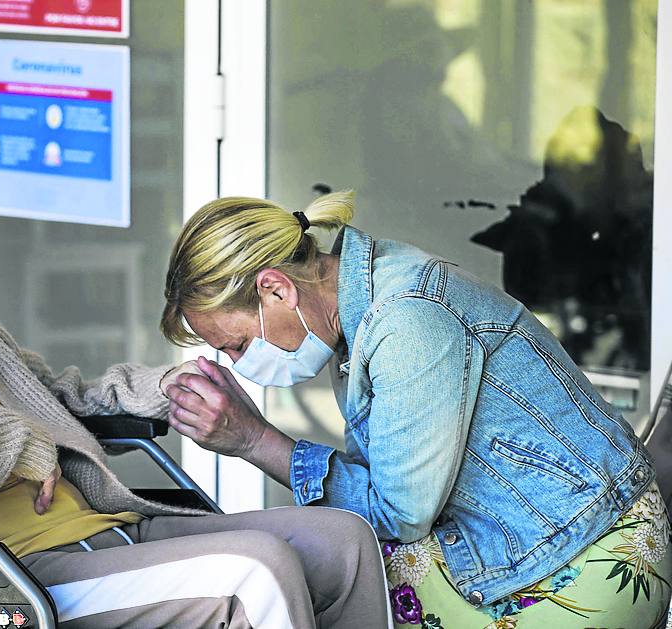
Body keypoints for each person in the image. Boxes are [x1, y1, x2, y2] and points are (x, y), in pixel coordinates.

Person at [0, 106, 390, 628]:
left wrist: (160, 388)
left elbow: (58, 401)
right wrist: (13, 444)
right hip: (6, 575)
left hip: (102, 531)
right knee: (255, 571)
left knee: (343, 540)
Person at [160, 192, 672, 628]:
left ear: (276, 288)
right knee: (308, 566)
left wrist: (256, 441)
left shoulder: (408, 322)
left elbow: (398, 515)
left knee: (303, 585)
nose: (239, 364)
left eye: (237, 344)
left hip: (582, 557)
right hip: (547, 534)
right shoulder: (363, 307)